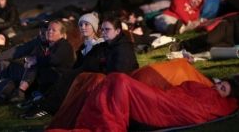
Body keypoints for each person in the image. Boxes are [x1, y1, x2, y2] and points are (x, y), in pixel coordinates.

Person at [47, 66, 239, 131]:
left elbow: (192, 108)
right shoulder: (205, 87)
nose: (218, 87)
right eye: (221, 84)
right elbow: (182, 90)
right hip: (166, 97)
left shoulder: (224, 104)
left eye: (223, 89)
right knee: (107, 79)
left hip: (167, 105)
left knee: (119, 80)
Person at [19, 15, 139, 119]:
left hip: (114, 85)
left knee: (70, 78)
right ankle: (44, 103)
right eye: (102, 30)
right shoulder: (105, 45)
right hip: (96, 75)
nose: (104, 32)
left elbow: (118, 74)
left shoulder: (122, 49)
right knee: (68, 76)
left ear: (117, 31)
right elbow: (88, 61)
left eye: (107, 29)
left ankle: (47, 107)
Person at [0, 20, 75, 105]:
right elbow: (18, 51)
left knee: (20, 72)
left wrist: (33, 60)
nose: (46, 32)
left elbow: (54, 60)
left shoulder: (61, 45)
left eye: (50, 30)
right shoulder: (38, 42)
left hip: (40, 80)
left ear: (60, 34)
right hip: (31, 75)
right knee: (2, 65)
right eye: (44, 29)